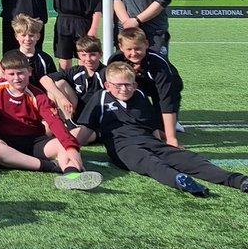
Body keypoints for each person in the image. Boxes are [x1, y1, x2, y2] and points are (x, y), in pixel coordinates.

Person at [75, 62, 248, 197]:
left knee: (189, 158)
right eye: (119, 85)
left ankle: (238, 180)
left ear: (135, 85)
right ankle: (178, 180)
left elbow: (151, 127)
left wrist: (165, 145)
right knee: (150, 162)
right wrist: (72, 152)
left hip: (149, 141)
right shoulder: (101, 98)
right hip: (123, 148)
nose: (124, 89)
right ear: (108, 85)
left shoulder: (139, 96)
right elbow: (85, 129)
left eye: (128, 85)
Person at [0, 52, 102, 190]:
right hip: (5, 143)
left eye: (21, 73)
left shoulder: (38, 96)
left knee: (64, 144)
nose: (16, 78)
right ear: (4, 74)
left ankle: (71, 175)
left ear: (29, 72)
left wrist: (71, 147)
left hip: (35, 142)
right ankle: (51, 167)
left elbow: (55, 122)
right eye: (11, 74)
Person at [108, 27, 183, 143]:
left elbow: (167, 100)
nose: (133, 53)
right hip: (137, 87)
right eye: (129, 49)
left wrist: (171, 138)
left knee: (162, 133)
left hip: (165, 88)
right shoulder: (116, 60)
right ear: (121, 47)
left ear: (146, 44)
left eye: (138, 48)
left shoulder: (159, 65)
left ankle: (169, 125)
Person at [39, 35, 105, 123]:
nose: (88, 59)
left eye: (92, 55)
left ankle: (68, 127)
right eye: (84, 55)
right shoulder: (77, 71)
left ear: (100, 54)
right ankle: (67, 121)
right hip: (77, 111)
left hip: (98, 114)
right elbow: (44, 79)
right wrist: (62, 99)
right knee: (59, 84)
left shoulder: (106, 73)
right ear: (78, 55)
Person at [8, 14, 56, 83]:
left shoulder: (45, 59)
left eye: (31, 35)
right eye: (23, 35)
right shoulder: (10, 58)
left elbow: (53, 83)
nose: (27, 39)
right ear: (16, 36)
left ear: (38, 36)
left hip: (40, 93)